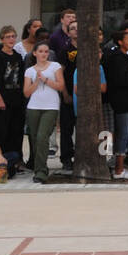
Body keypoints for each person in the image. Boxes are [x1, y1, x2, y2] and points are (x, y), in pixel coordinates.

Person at [100, 25, 128, 180]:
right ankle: (118, 169)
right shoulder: (118, 58)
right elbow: (121, 80)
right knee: (123, 133)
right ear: (120, 42)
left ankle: (120, 163)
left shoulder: (124, 57)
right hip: (121, 101)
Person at [23, 40, 64, 184]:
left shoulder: (55, 66)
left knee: (42, 137)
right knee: (34, 138)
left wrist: (45, 79)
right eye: (40, 51)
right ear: (34, 53)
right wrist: (36, 82)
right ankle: (39, 167)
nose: (43, 54)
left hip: (51, 106)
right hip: (34, 106)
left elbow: (60, 85)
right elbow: (26, 93)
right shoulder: (30, 70)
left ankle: (40, 171)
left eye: (46, 52)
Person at [0, 26, 28, 169]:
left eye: (13, 36)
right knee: (1, 132)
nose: (11, 39)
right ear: (2, 39)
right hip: (2, 101)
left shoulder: (18, 56)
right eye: (8, 37)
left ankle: (16, 160)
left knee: (16, 132)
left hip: (16, 100)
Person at [55, 24, 79, 173]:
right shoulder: (65, 51)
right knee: (66, 129)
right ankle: (66, 159)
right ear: (68, 33)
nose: (76, 30)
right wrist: (65, 94)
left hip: (85, 97)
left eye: (79, 27)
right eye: (73, 28)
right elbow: (60, 74)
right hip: (69, 95)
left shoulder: (89, 49)